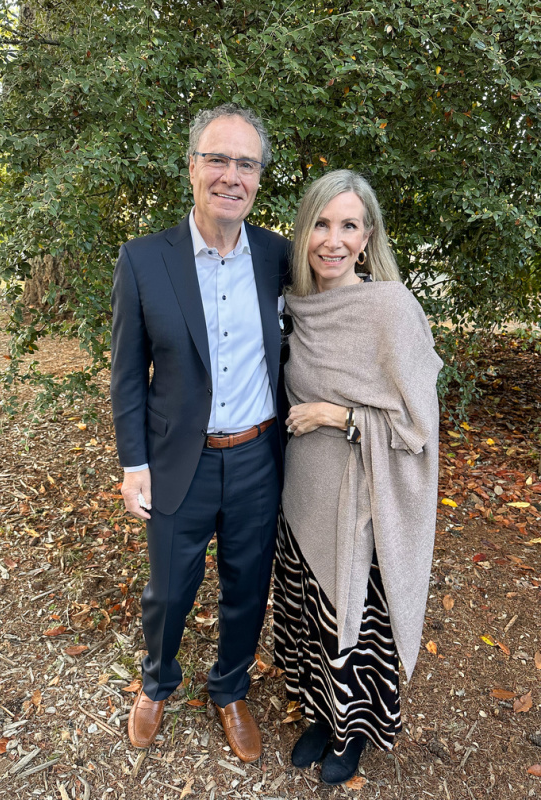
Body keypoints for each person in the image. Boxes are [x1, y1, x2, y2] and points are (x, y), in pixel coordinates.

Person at [110, 104, 289, 763]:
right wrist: (134, 463)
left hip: (257, 460)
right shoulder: (143, 260)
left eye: (246, 163)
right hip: (175, 461)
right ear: (192, 167)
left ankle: (230, 689)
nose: (231, 175)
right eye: (218, 158)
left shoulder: (275, 254)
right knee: (169, 589)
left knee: (248, 585)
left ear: (258, 178)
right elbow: (128, 373)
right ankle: (157, 683)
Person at [273, 170, 442, 785]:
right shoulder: (296, 306)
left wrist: (338, 415)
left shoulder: (390, 308)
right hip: (301, 496)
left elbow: (418, 422)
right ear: (304, 231)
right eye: (322, 223)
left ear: (368, 237)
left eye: (349, 226)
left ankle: (356, 731)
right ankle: (321, 716)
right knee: (311, 613)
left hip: (360, 499)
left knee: (354, 617)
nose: (333, 240)